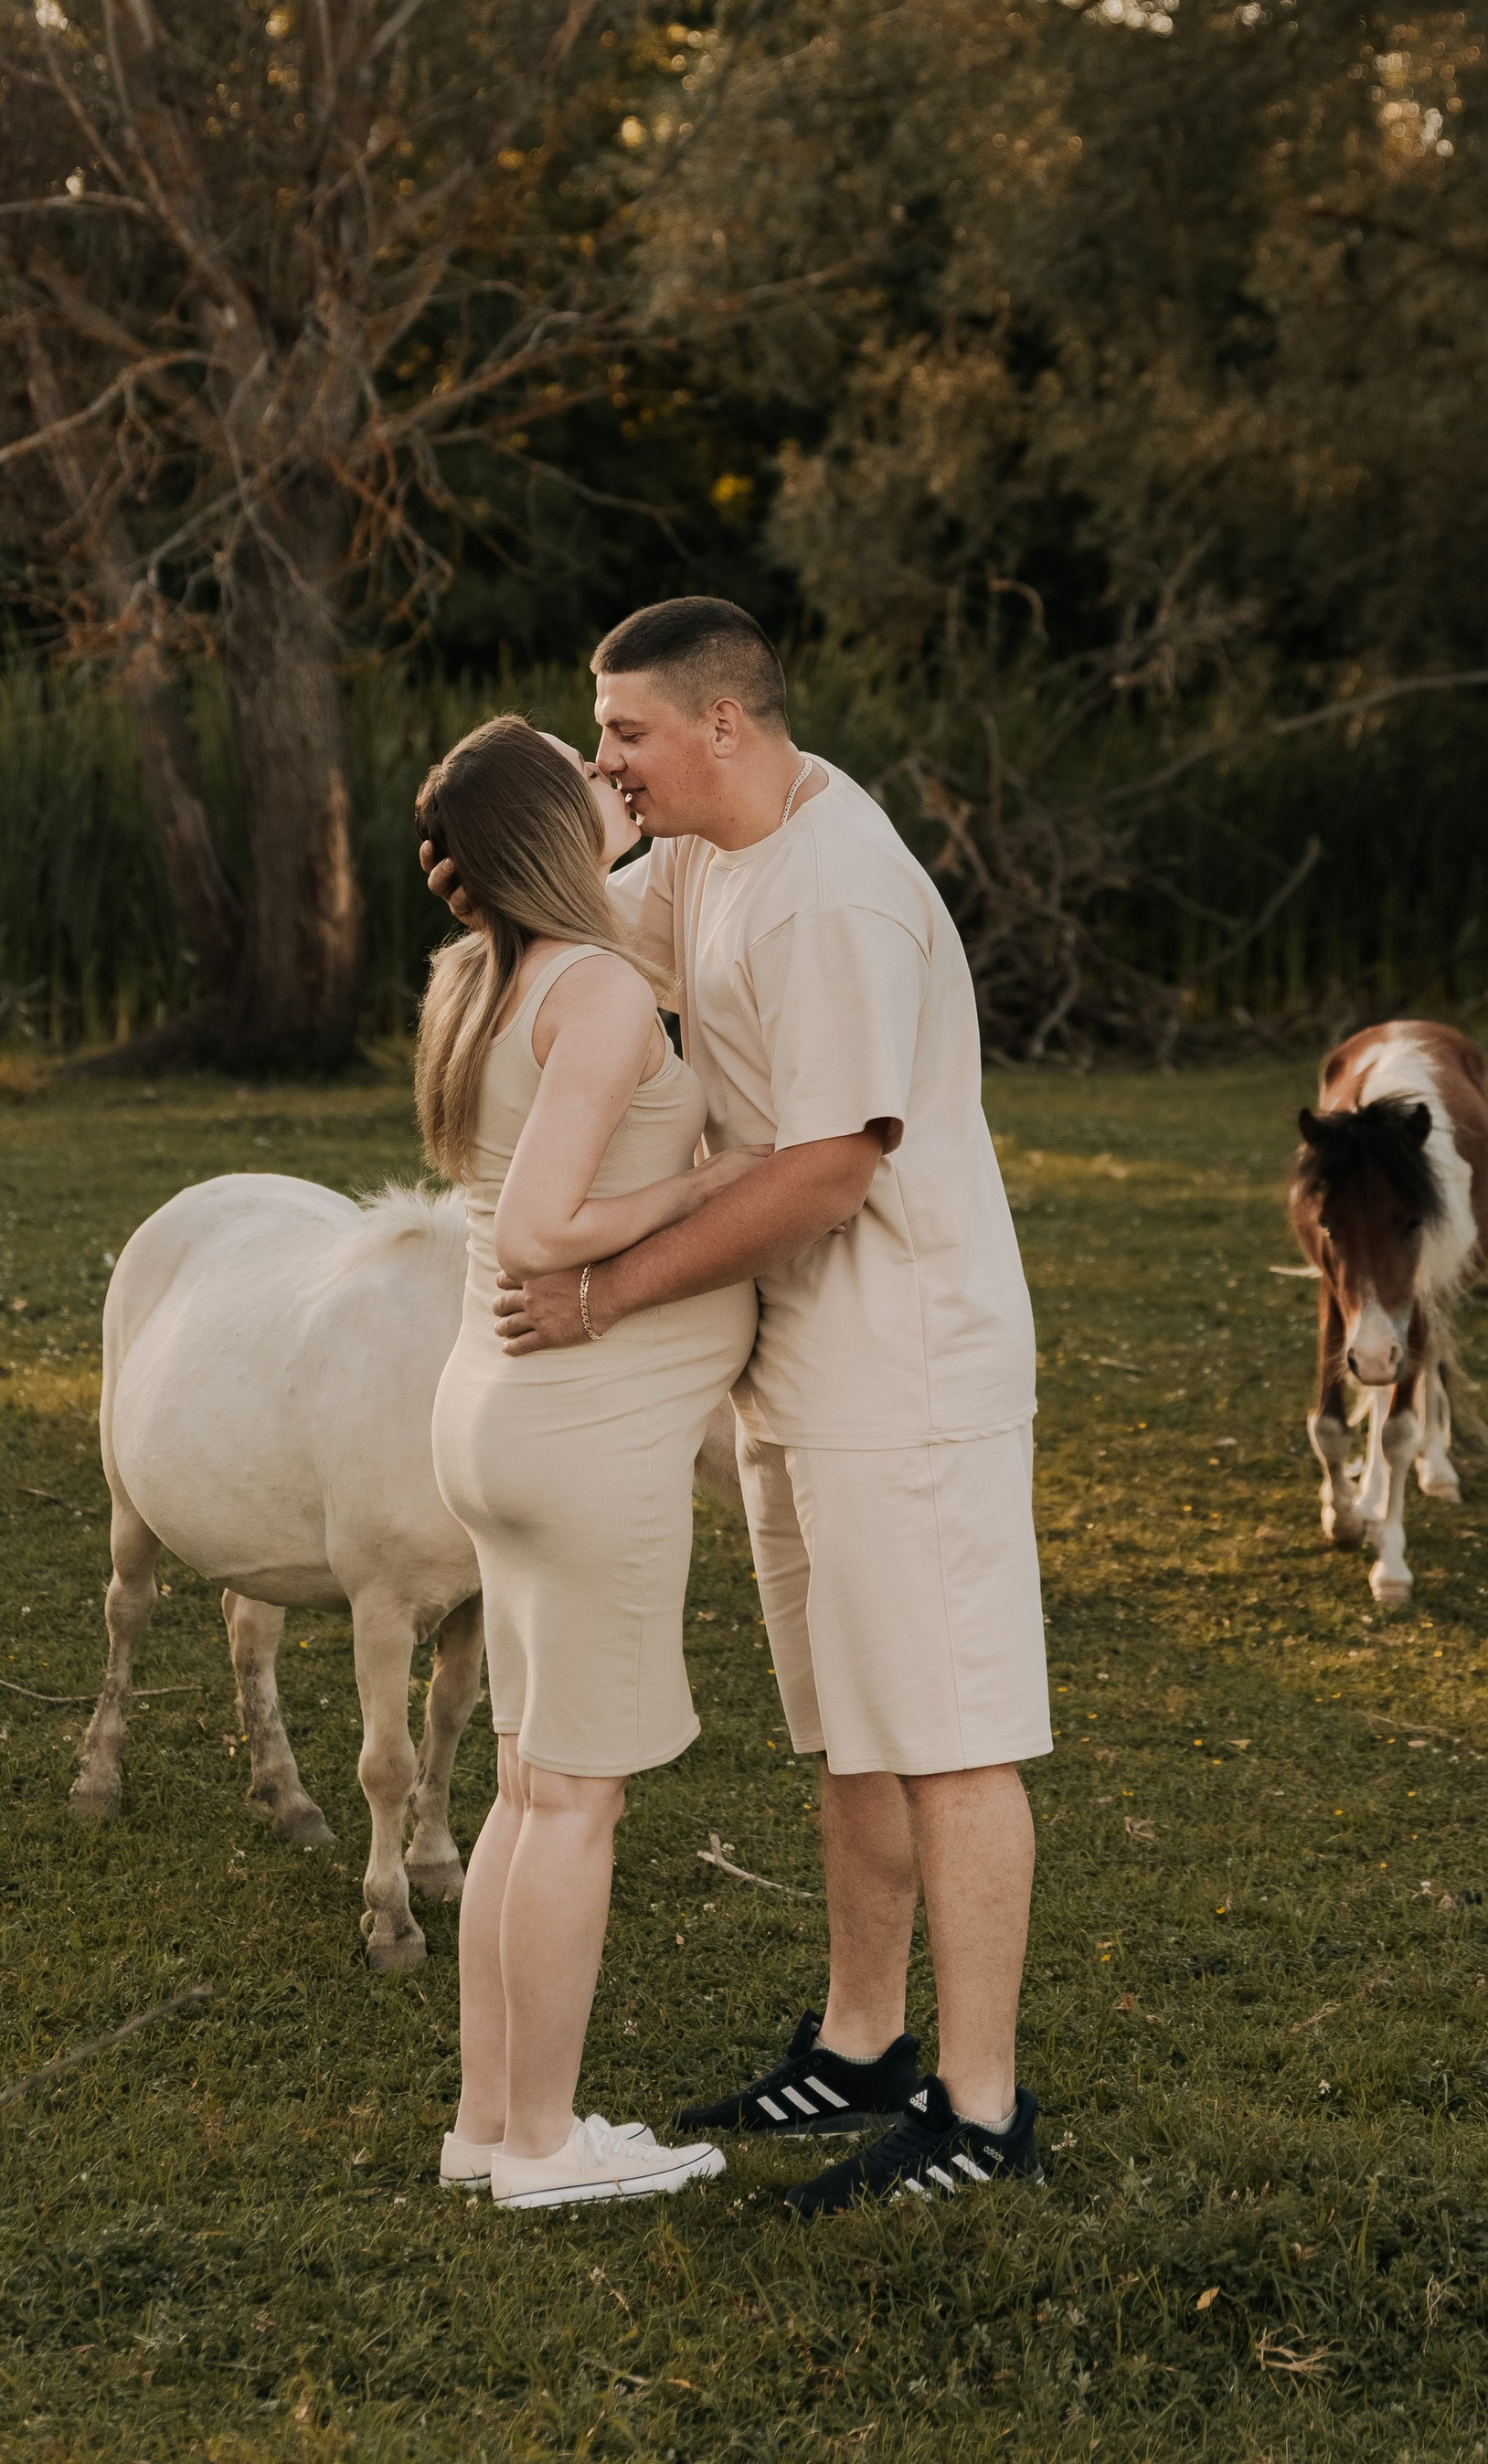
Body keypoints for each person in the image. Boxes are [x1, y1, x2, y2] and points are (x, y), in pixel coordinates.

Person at [431, 598, 1050, 2217]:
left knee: (949, 1733)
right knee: (849, 1717)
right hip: (794, 1366)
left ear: (721, 726)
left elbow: (836, 1167)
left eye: (622, 732)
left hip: (905, 1363)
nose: (607, 761)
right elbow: (569, 937)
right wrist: (497, 858)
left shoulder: (834, 898)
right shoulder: (700, 853)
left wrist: (602, 1291)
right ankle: (859, 2044)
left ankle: (979, 2110)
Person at [416, 714, 760, 2212]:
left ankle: (491, 2125)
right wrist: (715, 1178)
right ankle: (550, 2148)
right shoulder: (601, 993)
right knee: (573, 1804)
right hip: (582, 1432)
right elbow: (547, 1227)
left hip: (499, 1420)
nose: (611, 778)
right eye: (585, 770)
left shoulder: (487, 979)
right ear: (548, 829)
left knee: (523, 1792)